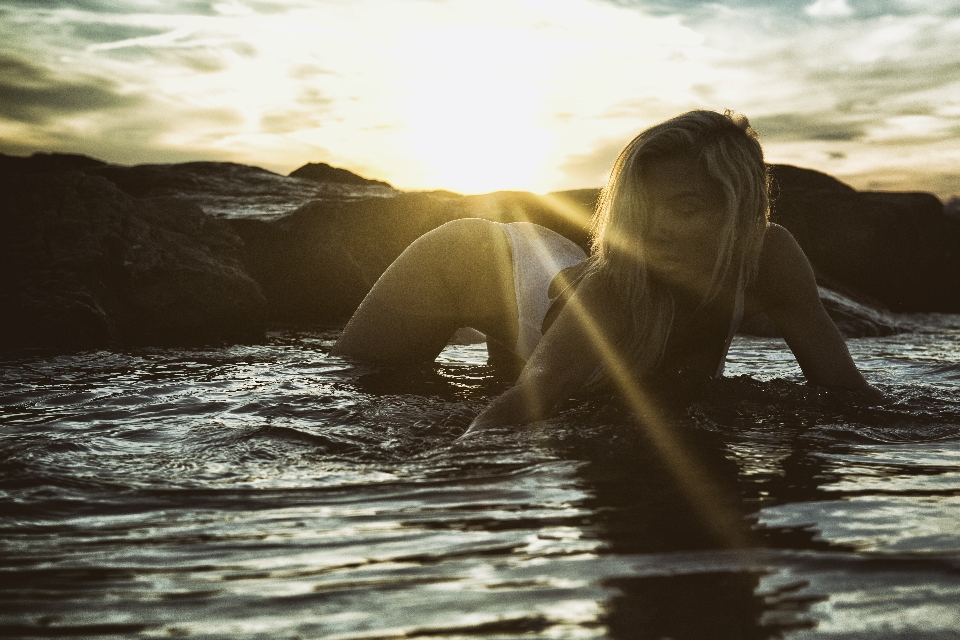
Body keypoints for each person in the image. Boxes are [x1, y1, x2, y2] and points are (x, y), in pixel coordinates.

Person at [331, 110, 880, 435]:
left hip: (546, 297)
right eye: (643, 210)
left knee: (517, 372)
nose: (656, 230)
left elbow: (844, 391)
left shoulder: (770, 257)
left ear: (737, 209)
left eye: (685, 207)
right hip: (467, 262)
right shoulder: (615, 290)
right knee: (352, 387)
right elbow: (522, 406)